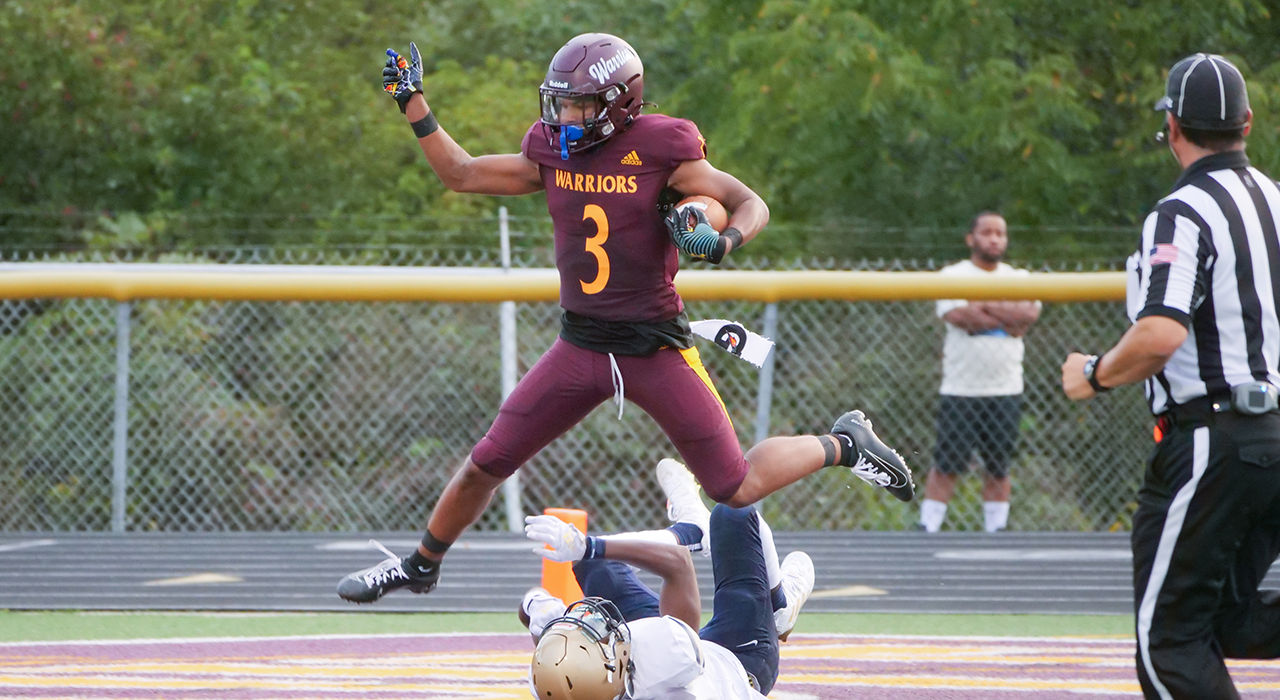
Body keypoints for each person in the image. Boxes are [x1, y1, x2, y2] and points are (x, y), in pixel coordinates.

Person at [336, 34, 914, 604]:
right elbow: (460, 174)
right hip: (580, 345)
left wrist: (721, 239)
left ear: (621, 101)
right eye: (560, 101)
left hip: (654, 348)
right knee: (485, 462)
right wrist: (413, 103)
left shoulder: (663, 145)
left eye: (580, 103)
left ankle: (844, 443)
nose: (564, 114)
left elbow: (748, 202)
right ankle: (421, 564)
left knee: (733, 486)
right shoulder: (552, 147)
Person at [1061, 53, 1280, 699]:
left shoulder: (1183, 210)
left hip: (1213, 437)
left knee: (1168, 644)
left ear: (1173, 126)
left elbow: (1160, 334)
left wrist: (1095, 374)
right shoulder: (1273, 200)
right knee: (1227, 623)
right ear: (1246, 122)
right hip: (1272, 432)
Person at [518, 458, 816, 698]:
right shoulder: (670, 661)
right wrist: (591, 546)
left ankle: (692, 529)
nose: (595, 625)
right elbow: (677, 566)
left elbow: (554, 655)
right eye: (600, 640)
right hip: (740, 661)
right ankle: (777, 605)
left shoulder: (564, 684)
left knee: (592, 565)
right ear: (618, 669)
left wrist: (538, 609)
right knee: (731, 512)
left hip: (648, 666)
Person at [918, 212, 1040, 533]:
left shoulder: (1021, 278)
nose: (994, 239)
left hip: (1005, 389)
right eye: (986, 232)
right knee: (947, 465)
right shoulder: (953, 275)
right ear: (971, 238)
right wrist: (1005, 313)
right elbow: (961, 316)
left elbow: (1027, 315)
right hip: (961, 389)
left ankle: (995, 531)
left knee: (999, 467)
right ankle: (927, 529)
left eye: (1000, 233)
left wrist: (984, 302)